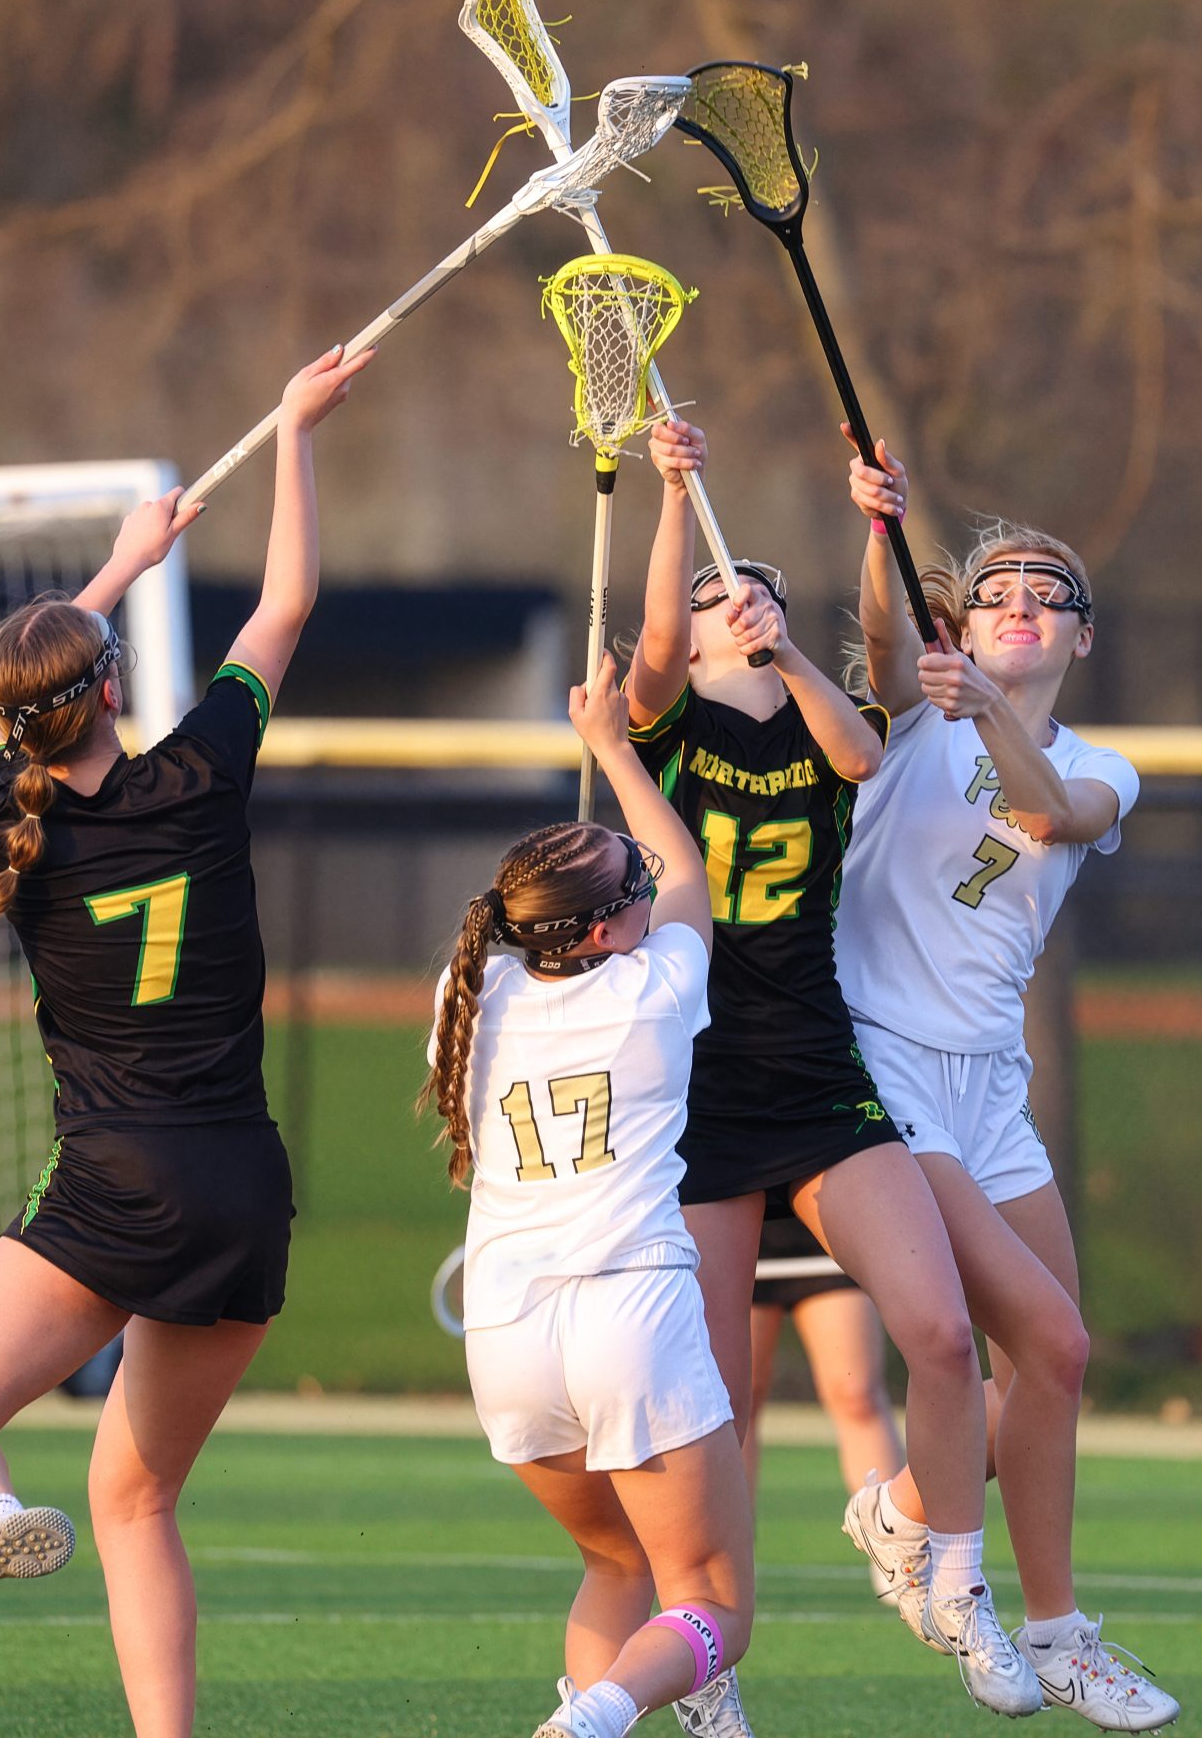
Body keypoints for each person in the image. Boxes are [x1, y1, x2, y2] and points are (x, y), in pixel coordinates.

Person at [0, 344, 373, 1738]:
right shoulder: (203, 771)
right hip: (243, 1192)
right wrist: (291, 430)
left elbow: (38, 692)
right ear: (116, 695)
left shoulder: (7, 817)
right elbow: (286, 602)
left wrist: (114, 569)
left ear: (17, 723)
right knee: (141, 1497)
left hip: (114, 1182)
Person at [624, 419, 1040, 1724]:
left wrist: (788, 639)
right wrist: (669, 501)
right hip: (699, 1089)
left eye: (756, 590)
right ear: (692, 634)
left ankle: (956, 1583)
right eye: (714, 599)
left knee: (931, 1330)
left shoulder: (821, 723)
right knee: (716, 1404)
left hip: (818, 1072)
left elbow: (863, 754)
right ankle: (702, 1663)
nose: (735, 603)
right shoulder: (667, 723)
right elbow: (641, 657)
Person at [833, 434, 1180, 1731]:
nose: (1019, 603)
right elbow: (877, 648)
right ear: (963, 626)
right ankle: (1004, 1593)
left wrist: (984, 708)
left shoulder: (1100, 766)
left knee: (1053, 1363)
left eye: (1047, 595)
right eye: (995, 592)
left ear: (1080, 640)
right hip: (883, 1061)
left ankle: (955, 1551)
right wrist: (878, 524)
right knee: (1027, 1336)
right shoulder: (919, 710)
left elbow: (1049, 818)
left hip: (990, 1081)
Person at [421, 653, 752, 1738]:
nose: (654, 895)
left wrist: (578, 875)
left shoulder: (469, 992)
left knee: (613, 1558)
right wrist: (611, 744)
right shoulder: (656, 988)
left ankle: (590, 1707)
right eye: (634, 894)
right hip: (628, 1314)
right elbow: (688, 870)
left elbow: (629, 891)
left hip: (504, 1331)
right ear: (608, 931)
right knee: (710, 1605)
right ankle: (598, 1712)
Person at [745, 1218, 902, 1509]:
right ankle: (730, 1552)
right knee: (736, 1403)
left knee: (857, 1393)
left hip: (822, 1224)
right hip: (737, 1213)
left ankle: (898, 1548)